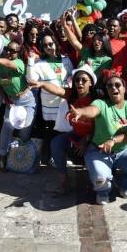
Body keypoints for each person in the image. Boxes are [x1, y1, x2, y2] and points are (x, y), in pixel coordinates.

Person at [69, 75, 127, 204]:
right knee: (100, 179)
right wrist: (81, 112)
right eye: (109, 86)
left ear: (124, 88)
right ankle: (103, 191)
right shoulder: (101, 103)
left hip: (124, 150)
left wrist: (114, 140)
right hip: (98, 151)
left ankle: (123, 185)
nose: (113, 88)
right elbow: (92, 110)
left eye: (117, 85)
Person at [31, 66, 97, 194]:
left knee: (94, 170)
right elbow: (56, 90)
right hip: (77, 134)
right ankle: (64, 181)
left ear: (91, 83)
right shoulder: (72, 95)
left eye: (84, 80)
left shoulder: (96, 100)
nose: (80, 83)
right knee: (56, 143)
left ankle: (99, 180)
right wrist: (41, 83)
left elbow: (102, 127)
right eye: (77, 80)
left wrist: (87, 139)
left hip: (94, 137)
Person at [0, 40, 35, 169]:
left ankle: (20, 159)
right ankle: (3, 156)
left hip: (26, 100)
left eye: (13, 51)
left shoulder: (19, 63)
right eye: (7, 49)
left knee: (24, 129)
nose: (9, 52)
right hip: (11, 101)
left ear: (18, 52)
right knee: (7, 128)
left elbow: (9, 63)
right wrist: (5, 98)